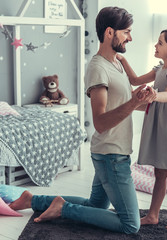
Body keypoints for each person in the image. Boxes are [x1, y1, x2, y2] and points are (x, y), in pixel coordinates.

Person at [9, 7, 157, 234]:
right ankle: (64, 209)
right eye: (126, 32)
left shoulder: (117, 63)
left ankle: (34, 200)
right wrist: (134, 102)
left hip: (112, 151)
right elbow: (100, 121)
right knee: (130, 224)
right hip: (111, 155)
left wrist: (158, 103)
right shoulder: (98, 68)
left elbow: (123, 104)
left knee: (95, 206)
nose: (130, 37)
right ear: (110, 32)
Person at [117, 21, 167, 230]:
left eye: (160, 43)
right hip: (158, 123)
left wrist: (152, 95)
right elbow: (134, 80)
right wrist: (122, 59)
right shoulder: (159, 69)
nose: (155, 46)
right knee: (159, 172)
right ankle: (153, 215)